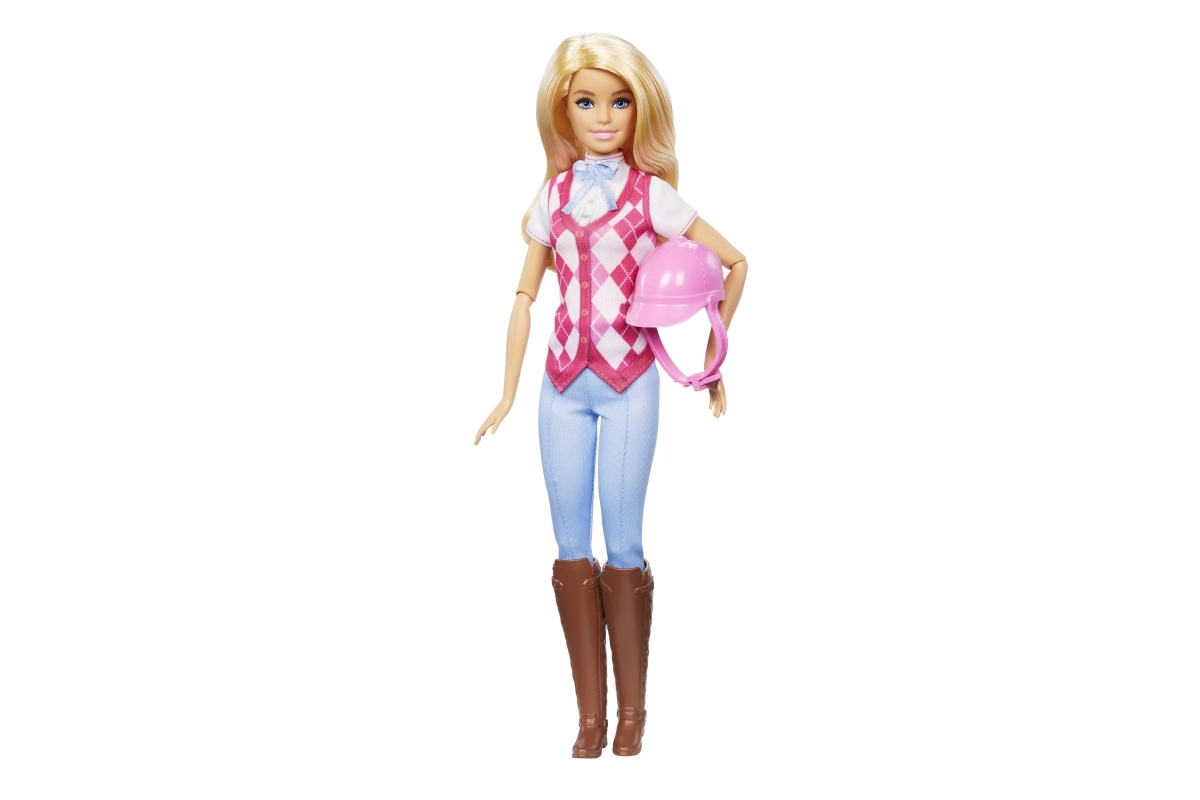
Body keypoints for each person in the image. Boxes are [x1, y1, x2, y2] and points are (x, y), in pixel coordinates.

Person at [473, 33, 749, 758]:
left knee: (623, 544)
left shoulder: (651, 195)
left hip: (630, 381)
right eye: (587, 102)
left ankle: (632, 714)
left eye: (619, 102)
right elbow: (524, 298)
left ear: (640, 109)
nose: (603, 117)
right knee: (570, 548)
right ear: (561, 110)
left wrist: (713, 360)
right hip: (560, 383)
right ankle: (588, 718)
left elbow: (735, 263)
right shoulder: (552, 198)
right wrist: (506, 392)